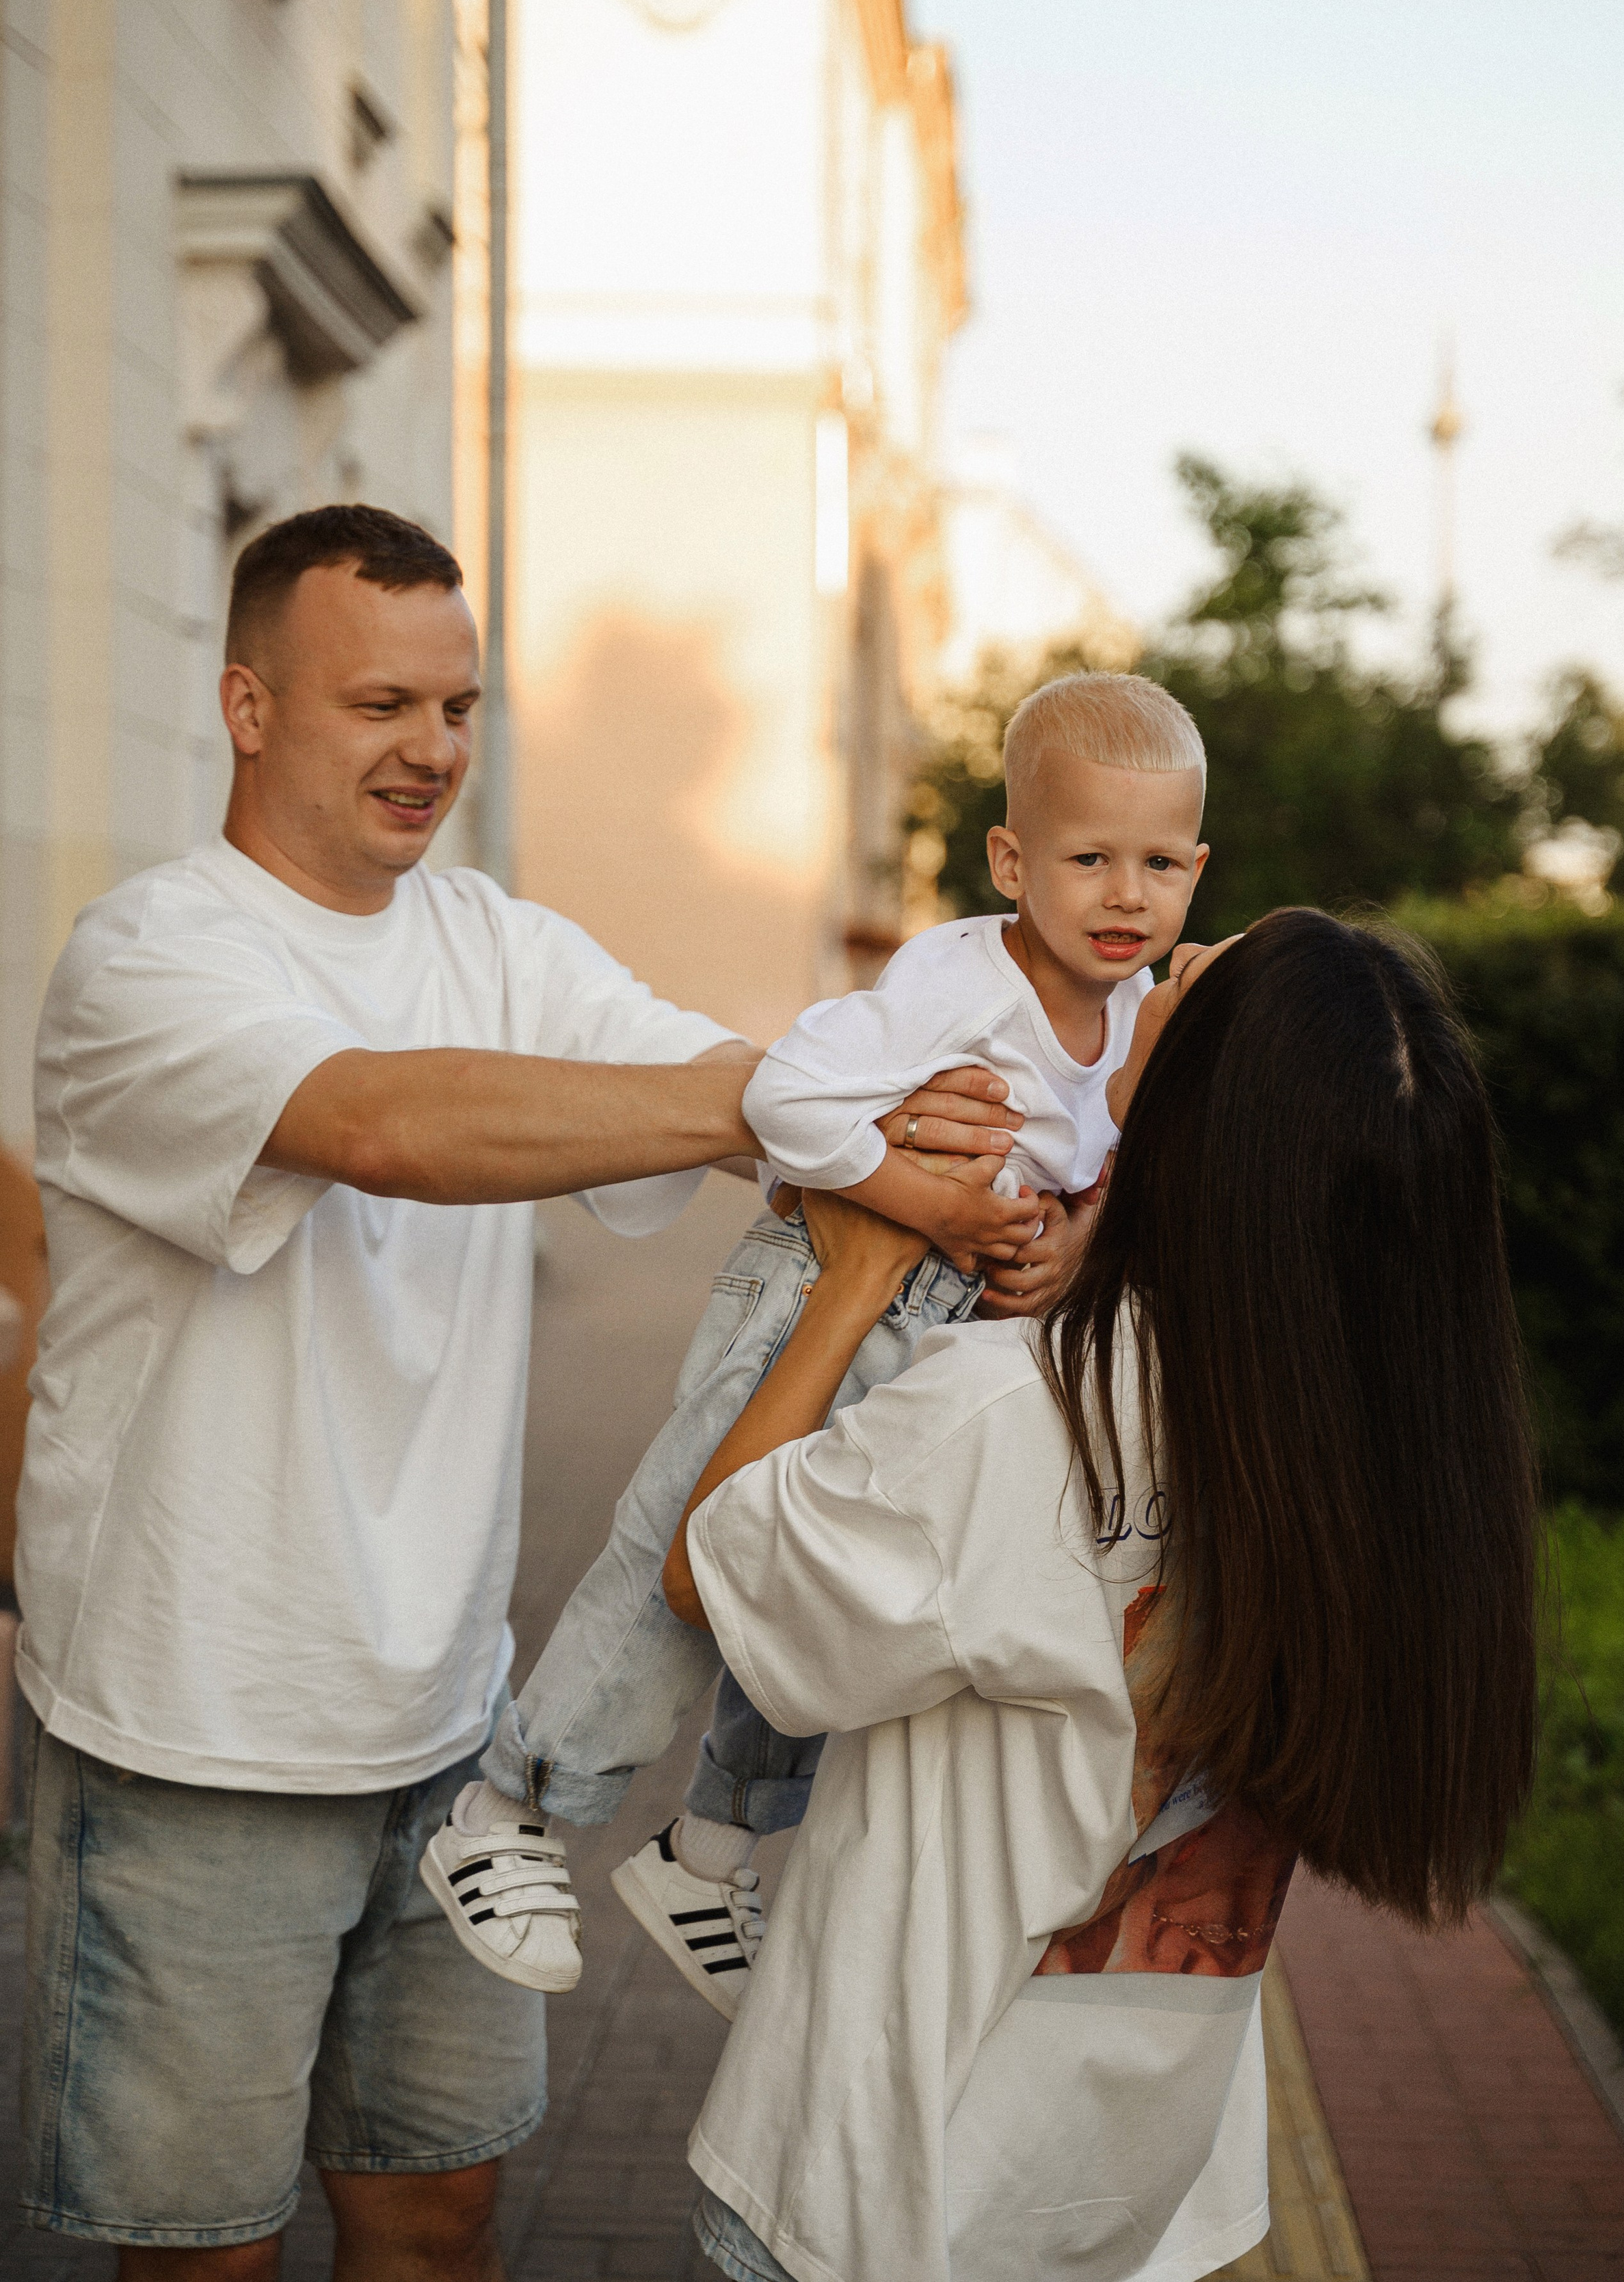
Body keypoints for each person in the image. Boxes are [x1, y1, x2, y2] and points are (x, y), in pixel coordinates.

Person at [14, 503, 1020, 2278]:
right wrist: (794, 1115)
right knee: (203, 2253)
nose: (433, 749)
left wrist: (937, 1126)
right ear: (249, 706)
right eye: (380, 702)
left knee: (442, 2210)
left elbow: (711, 1066)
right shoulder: (148, 958)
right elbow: (386, 1123)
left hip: (454, 1730)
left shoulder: (501, 938)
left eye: (462, 706)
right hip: (195, 1736)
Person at [663, 908, 1543, 2282]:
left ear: (1201, 1119)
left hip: (878, 2199)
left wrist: (854, 1277)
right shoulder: (1394, 1449)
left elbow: (712, 1568)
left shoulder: (1024, 1413)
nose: (1143, 969)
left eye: (1179, 983)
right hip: (1136, 2192)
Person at [422, 674, 1211, 2010]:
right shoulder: (956, 980)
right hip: (815, 1288)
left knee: (822, 1599)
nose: (1123, 894)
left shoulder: (1131, 1013)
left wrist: (1062, 1240)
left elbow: (1098, 1169)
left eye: (1156, 864)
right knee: (679, 1550)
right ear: (1011, 861)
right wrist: (912, 1200)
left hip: (942, 1329)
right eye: (1086, 859)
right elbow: (784, 1092)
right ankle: (505, 1813)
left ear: (1197, 869)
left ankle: (708, 1849)